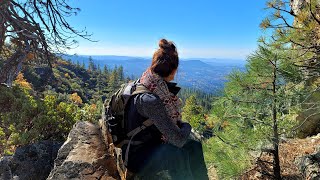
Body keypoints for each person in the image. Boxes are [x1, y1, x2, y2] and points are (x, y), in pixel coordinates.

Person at [122, 39, 209, 180]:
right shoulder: (151, 100)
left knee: (194, 147)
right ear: (172, 70)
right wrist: (187, 125)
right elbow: (178, 140)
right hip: (137, 156)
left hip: (148, 145)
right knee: (177, 156)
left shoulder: (147, 82)